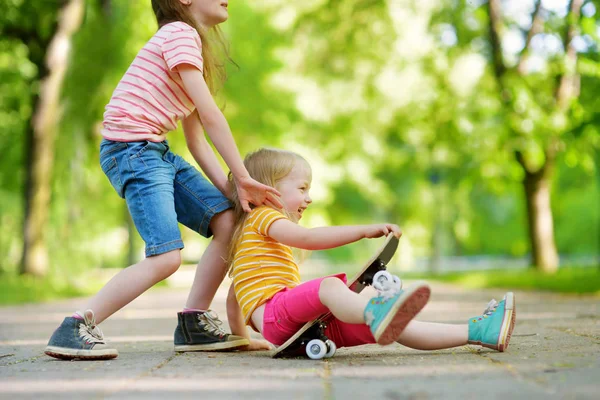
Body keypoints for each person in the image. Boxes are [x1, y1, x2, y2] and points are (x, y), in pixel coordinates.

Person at [45, 0, 279, 361]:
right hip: (132, 150)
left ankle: (194, 323)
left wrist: (231, 190)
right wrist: (243, 176)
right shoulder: (179, 35)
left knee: (227, 220)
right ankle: (75, 326)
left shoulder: (188, 46)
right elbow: (212, 117)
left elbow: (196, 140)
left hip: (153, 149)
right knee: (166, 257)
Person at [225, 148, 516, 354]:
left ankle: (478, 332)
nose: (308, 198)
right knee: (328, 286)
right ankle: (374, 310)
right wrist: (362, 231)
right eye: (302, 188)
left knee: (393, 327)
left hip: (296, 329)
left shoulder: (251, 246)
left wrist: (243, 338)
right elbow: (308, 238)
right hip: (279, 317)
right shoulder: (261, 216)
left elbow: (235, 296)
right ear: (267, 189)